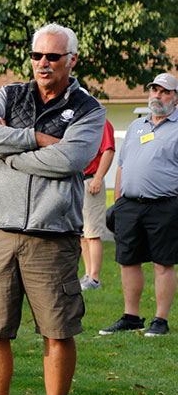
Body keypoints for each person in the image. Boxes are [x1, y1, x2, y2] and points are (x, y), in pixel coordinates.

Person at [0, 23, 104, 395]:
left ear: (71, 60)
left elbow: (69, 160)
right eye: (37, 55)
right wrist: (34, 138)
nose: (43, 63)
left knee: (57, 330)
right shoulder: (9, 94)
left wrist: (8, 156)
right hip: (0, 232)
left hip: (52, 235)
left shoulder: (88, 109)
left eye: (53, 57)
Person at [100, 73, 178, 338]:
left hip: (165, 206)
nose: (158, 96)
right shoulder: (136, 126)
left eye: (165, 92)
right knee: (128, 261)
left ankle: (160, 319)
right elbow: (123, 165)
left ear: (175, 98)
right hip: (129, 206)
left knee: (162, 264)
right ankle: (131, 317)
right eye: (154, 90)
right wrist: (119, 202)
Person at [79, 117, 114, 291]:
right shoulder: (80, 121)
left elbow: (108, 151)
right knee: (82, 233)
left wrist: (98, 178)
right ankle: (87, 275)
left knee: (93, 233)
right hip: (78, 181)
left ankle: (95, 278)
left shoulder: (102, 122)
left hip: (91, 182)